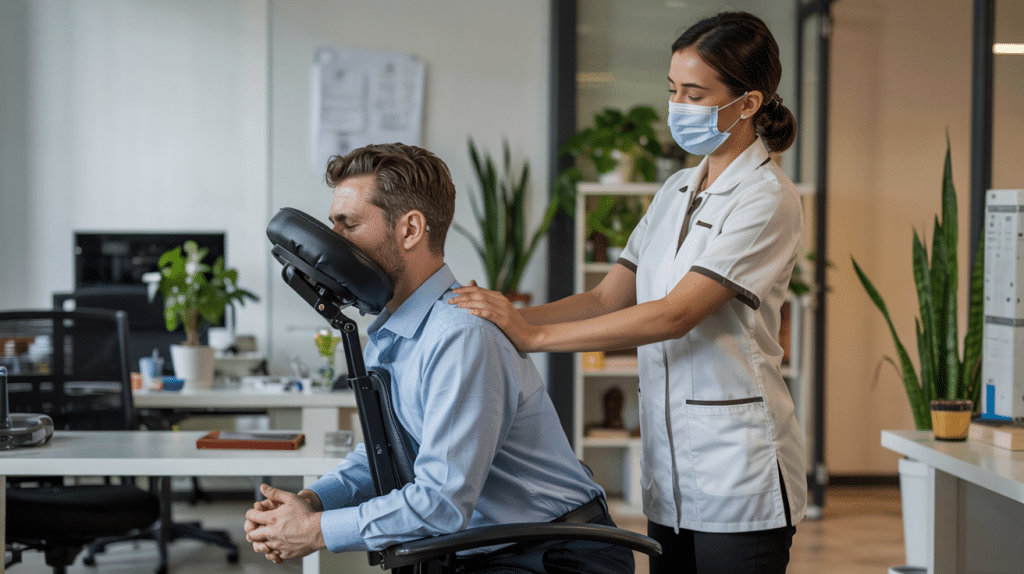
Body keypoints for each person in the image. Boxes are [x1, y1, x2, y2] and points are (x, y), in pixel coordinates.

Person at [449, 11, 806, 574]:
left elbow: (673, 315)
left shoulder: (767, 199)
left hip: (738, 473)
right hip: (670, 472)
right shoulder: (675, 189)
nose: (679, 106)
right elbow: (607, 298)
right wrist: (503, 315)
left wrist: (535, 335)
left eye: (695, 93)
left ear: (748, 102)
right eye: (673, 90)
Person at [244, 143, 634, 573]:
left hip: (554, 556)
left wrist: (316, 530)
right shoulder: (395, 330)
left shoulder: (460, 336)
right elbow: (388, 452)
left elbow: (440, 504)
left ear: (410, 229)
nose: (334, 244)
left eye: (349, 225)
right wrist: (311, 502)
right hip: (486, 549)